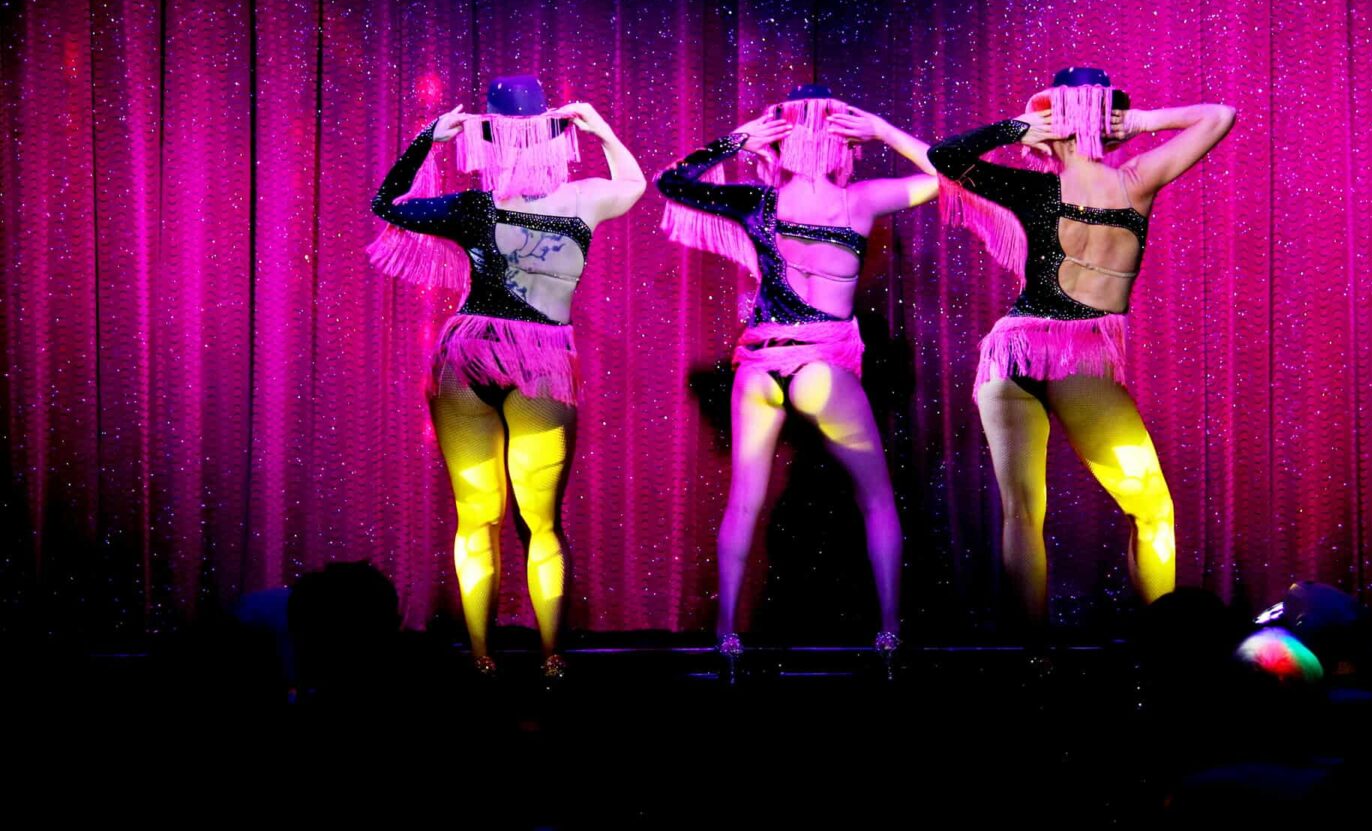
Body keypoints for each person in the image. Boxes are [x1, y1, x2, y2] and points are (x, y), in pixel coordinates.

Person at [929, 66, 1236, 627]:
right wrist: (1141, 122)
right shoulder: (1136, 180)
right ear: (1105, 122)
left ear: (1052, 126)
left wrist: (1017, 128)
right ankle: (1163, 646)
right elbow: (1220, 116)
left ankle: (1034, 658)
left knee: (1021, 514)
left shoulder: (1032, 188)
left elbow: (943, 157)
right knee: (1153, 510)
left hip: (1009, 354)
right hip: (1075, 354)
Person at [367, 74, 645, 679]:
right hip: (508, 360)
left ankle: (497, 658)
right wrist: (600, 130)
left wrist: (427, 139)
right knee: (521, 519)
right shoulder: (579, 199)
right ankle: (533, 658)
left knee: (495, 516)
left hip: (483, 356)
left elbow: (387, 202)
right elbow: (633, 184)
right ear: (554, 137)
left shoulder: (486, 205)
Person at [654, 83, 937, 677]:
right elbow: (946, 174)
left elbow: (672, 183)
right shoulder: (862, 201)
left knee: (744, 502)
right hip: (821, 368)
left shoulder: (758, 202)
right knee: (877, 498)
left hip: (759, 366)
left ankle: (727, 640)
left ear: (778, 144)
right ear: (843, 146)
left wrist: (737, 141)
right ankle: (889, 637)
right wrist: (883, 130)